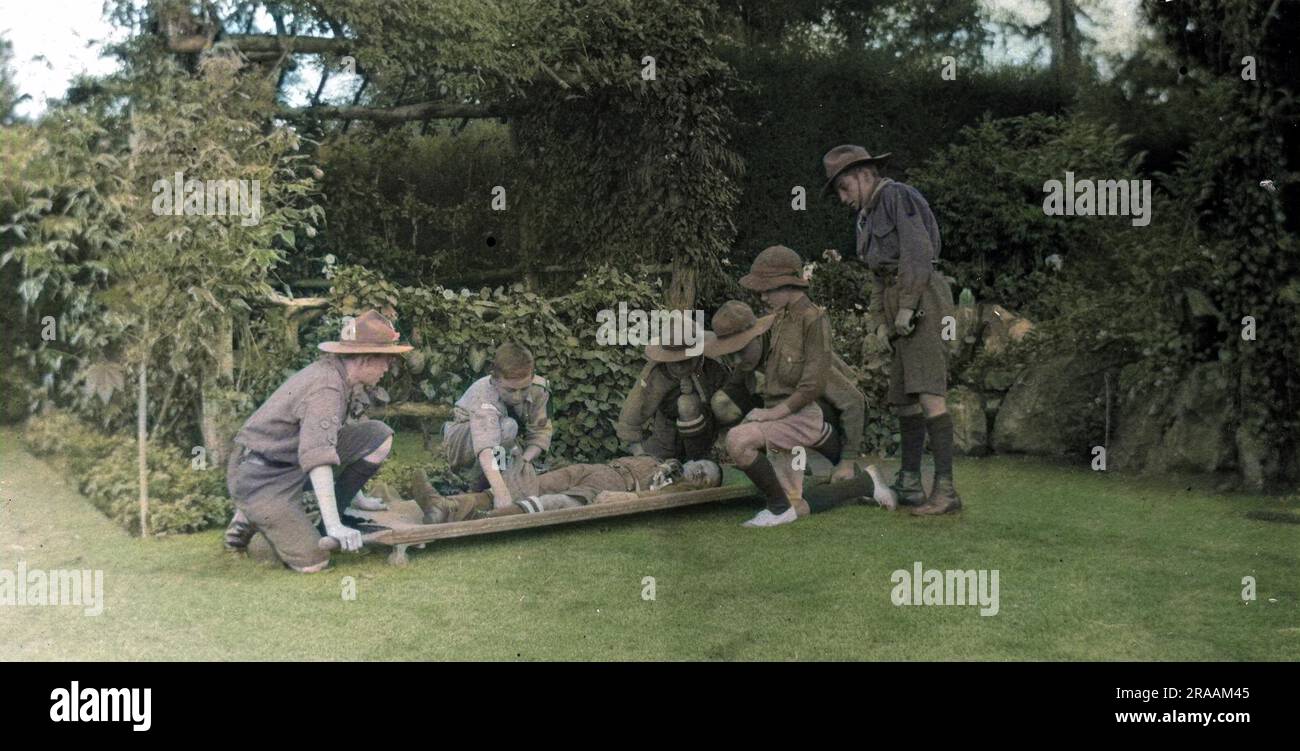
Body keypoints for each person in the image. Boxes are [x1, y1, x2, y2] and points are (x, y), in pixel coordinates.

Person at [822, 144, 961, 515]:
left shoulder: (899, 197)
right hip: (896, 301)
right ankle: (911, 483)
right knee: (903, 398)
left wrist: (908, 306)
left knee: (929, 390)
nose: (842, 198)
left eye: (843, 188)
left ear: (864, 175)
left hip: (922, 298)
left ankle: (945, 491)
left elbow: (918, 253)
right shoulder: (865, 219)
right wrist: (879, 322)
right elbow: (877, 277)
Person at [222, 310, 411, 572]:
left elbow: (329, 442)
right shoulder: (327, 387)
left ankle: (323, 521)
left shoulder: (338, 375)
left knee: (377, 435)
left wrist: (359, 498)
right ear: (366, 359)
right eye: (386, 360)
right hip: (260, 474)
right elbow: (319, 456)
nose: (388, 368)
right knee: (314, 561)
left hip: (290, 461)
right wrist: (334, 527)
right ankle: (252, 514)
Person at [725, 245, 835, 527]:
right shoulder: (780, 317)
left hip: (798, 415)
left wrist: (770, 415)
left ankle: (777, 509)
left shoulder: (814, 320)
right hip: (779, 413)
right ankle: (867, 484)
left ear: (788, 284)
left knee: (737, 441)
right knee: (797, 499)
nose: (762, 296)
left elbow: (812, 385)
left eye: (768, 289)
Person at [705, 300, 866, 482]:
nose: (735, 361)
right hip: (798, 409)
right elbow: (726, 403)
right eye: (729, 353)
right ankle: (790, 464)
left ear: (757, 336)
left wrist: (847, 461)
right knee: (724, 405)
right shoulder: (748, 358)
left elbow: (853, 401)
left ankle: (844, 468)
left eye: (741, 351)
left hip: (837, 409)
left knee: (780, 407)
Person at [409, 457, 724, 523]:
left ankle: (487, 518)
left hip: (614, 485)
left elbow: (651, 497)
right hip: (595, 468)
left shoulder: (677, 489)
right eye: (703, 465)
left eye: (706, 477)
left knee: (555, 502)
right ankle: (446, 506)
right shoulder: (662, 459)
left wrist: (631, 496)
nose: (700, 473)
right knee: (524, 485)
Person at [442, 342, 553, 509]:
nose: (517, 397)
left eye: (523, 390)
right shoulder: (483, 393)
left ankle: (491, 481)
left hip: (502, 443)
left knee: (519, 466)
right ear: (494, 380)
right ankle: (474, 483)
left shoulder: (540, 389)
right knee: (509, 427)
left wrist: (524, 460)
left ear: (532, 377)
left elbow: (540, 432)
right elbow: (486, 448)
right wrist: (501, 493)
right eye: (510, 390)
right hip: (462, 441)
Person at [615, 320, 729, 461]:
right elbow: (633, 410)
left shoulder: (713, 366)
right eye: (674, 361)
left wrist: (723, 441)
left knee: (687, 404)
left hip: (708, 432)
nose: (680, 367)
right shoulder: (657, 372)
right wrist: (638, 452)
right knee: (647, 466)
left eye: (686, 360)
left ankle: (698, 458)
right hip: (666, 435)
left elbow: (729, 405)